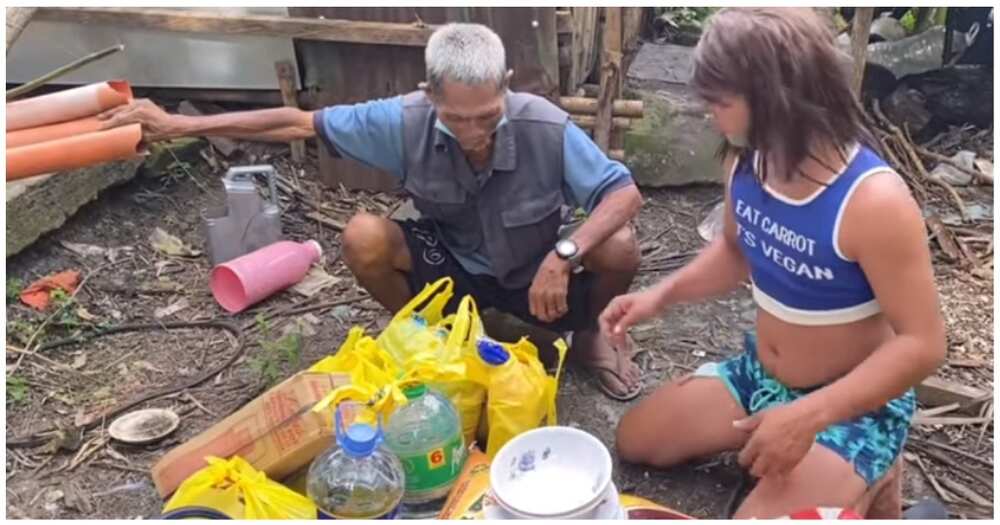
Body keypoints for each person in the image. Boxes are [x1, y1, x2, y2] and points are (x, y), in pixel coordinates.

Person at [99, 23, 645, 400]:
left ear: (505, 87)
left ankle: (591, 333)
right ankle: (426, 342)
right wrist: (180, 124)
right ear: (428, 93)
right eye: (457, 118)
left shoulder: (543, 123)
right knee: (363, 235)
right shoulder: (399, 120)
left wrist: (563, 255)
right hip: (452, 265)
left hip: (534, 269)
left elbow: (622, 193)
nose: (475, 133)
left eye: (487, 115)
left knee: (619, 245)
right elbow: (296, 123)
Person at [598, 7, 945, 519]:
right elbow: (736, 251)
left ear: (776, 97)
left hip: (851, 403)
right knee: (635, 439)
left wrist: (808, 416)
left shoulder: (873, 202)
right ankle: (788, 450)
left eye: (720, 101)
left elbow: (924, 344)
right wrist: (659, 297)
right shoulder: (747, 159)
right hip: (763, 373)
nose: (707, 112)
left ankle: (870, 474)